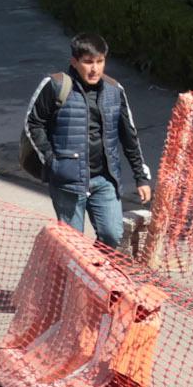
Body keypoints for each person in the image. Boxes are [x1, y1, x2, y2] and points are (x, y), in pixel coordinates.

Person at [23, 33, 152, 249]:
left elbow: (129, 135)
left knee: (113, 235)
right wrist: (52, 160)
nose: (95, 69)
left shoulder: (114, 90)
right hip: (68, 181)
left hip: (105, 179)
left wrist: (141, 177)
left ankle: (92, 274)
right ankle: (77, 279)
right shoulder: (55, 85)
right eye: (88, 62)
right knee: (73, 246)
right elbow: (33, 124)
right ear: (74, 61)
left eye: (100, 61)